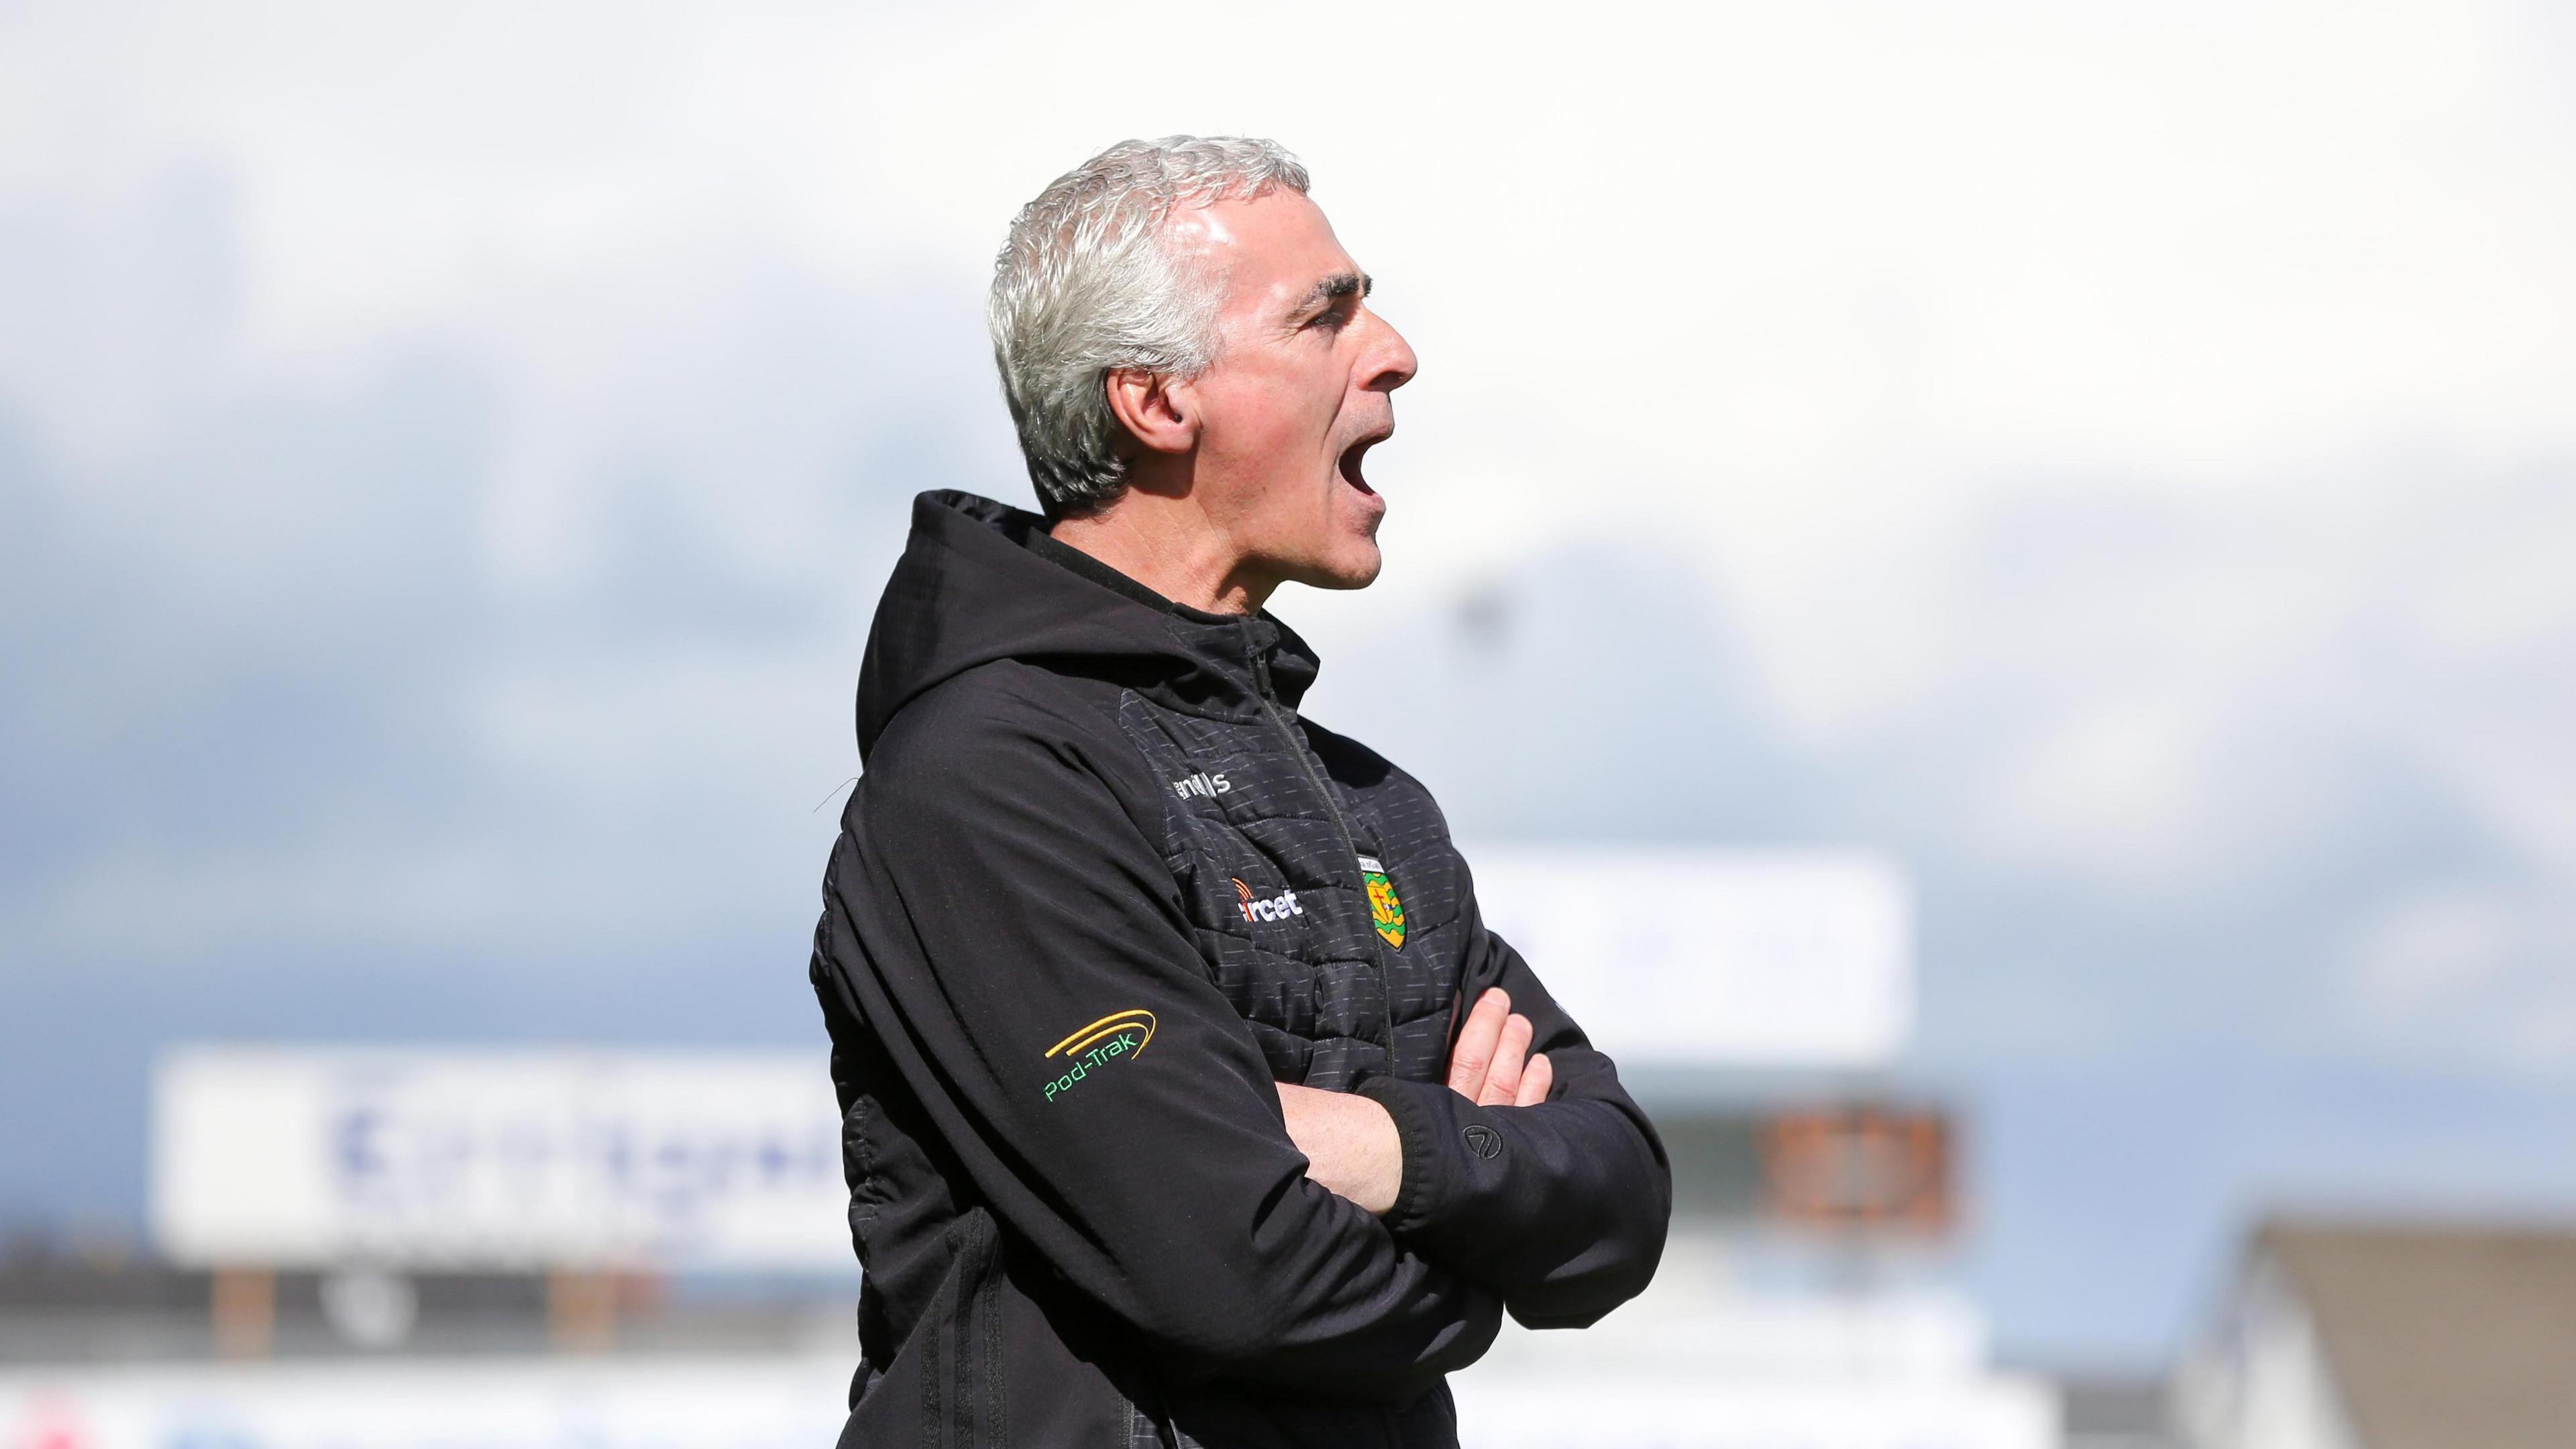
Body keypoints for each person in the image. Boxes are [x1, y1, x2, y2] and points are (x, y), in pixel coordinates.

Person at [808, 136, 1670, 1449]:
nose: (1393, 351)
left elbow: (1621, 1204)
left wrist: (1386, 1149)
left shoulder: (1376, 805)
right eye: (1325, 316)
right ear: (1156, 402)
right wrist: (1482, 1256)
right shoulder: (986, 783)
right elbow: (1235, 1274)